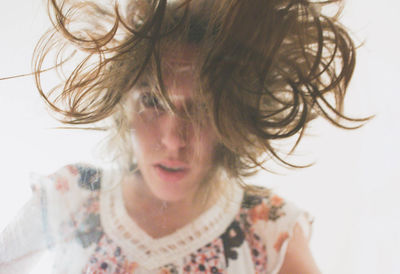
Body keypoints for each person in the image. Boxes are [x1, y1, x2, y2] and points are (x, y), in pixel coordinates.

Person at [0, 0, 367, 273]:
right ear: (122, 103)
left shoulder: (269, 229)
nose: (174, 139)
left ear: (233, 118)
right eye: (152, 101)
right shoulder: (68, 198)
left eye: (203, 108)